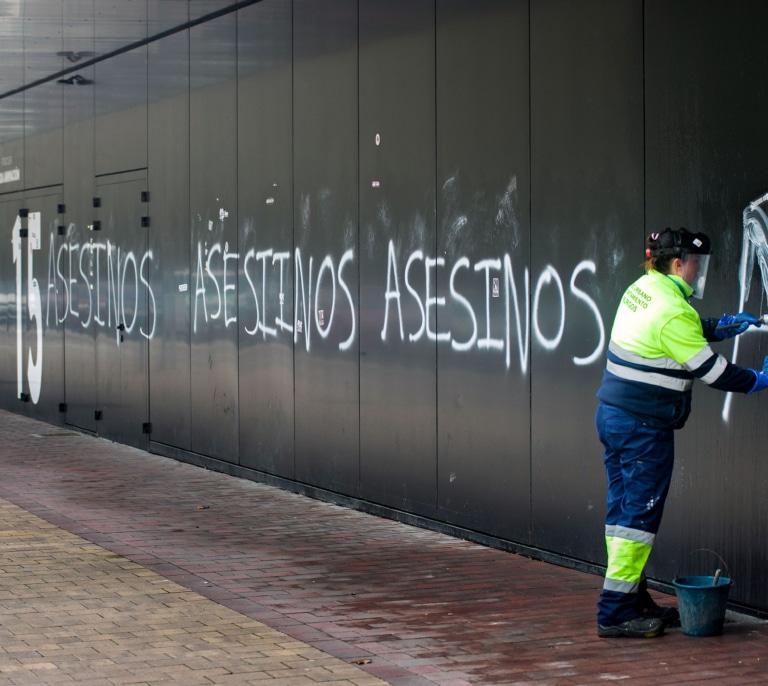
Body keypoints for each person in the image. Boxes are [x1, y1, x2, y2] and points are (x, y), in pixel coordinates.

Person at [594, 227, 768, 639]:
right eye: (696, 264)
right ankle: (615, 612)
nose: (698, 271)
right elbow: (715, 372)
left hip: (615, 417)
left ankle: (631, 598)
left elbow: (677, 329)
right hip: (642, 428)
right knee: (637, 519)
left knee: (623, 516)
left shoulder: (644, 288)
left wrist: (721, 326)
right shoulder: (672, 309)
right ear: (678, 263)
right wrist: (760, 380)